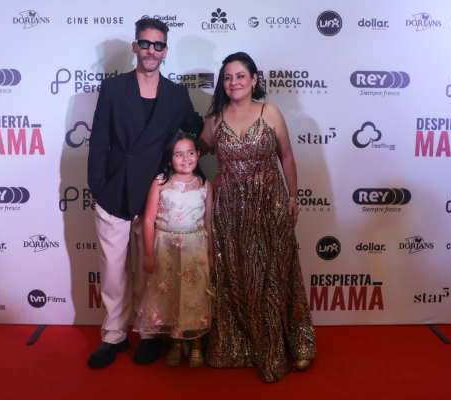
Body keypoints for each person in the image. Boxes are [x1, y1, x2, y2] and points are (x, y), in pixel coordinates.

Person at [87, 18, 203, 369]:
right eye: (145, 43)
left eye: (158, 45)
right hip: (115, 193)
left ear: (165, 51)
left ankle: (149, 333)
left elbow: (195, 129)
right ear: (135, 47)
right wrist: (99, 186)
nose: (151, 50)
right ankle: (113, 336)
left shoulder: (177, 95)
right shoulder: (113, 89)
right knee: (113, 271)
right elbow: (98, 142)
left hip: (155, 196)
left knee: (149, 270)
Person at [198, 52, 316, 383]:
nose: (233, 82)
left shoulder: (271, 112)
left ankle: (292, 345)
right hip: (229, 210)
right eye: (227, 77)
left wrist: (293, 197)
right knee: (235, 275)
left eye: (239, 76)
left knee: (274, 274)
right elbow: (197, 148)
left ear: (253, 80)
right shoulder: (215, 118)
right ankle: (240, 347)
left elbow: (287, 156)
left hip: (270, 205)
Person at [133, 132, 213, 368]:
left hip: (195, 250)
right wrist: (148, 253)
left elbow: (209, 223)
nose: (186, 158)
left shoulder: (204, 185)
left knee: (195, 296)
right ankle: (176, 344)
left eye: (190, 152)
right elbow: (148, 220)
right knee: (170, 296)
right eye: (179, 154)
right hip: (166, 250)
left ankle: (197, 343)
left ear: (198, 154)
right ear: (169, 160)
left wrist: (210, 254)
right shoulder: (160, 182)